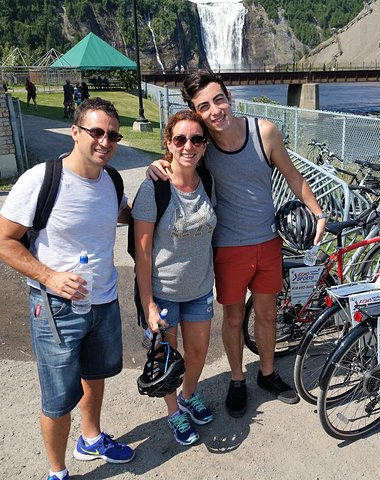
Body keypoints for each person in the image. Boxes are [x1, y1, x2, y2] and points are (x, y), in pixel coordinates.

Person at [148, 69, 326, 418]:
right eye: (204, 106)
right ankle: (237, 378)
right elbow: (176, 160)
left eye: (218, 99)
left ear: (229, 97)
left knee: (267, 313)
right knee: (232, 317)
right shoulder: (202, 145)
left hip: (268, 240)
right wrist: (158, 163)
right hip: (228, 246)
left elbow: (293, 176)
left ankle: (269, 373)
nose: (215, 110)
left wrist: (318, 213)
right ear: (196, 113)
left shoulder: (265, 132)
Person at [0, 97, 135, 480]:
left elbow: (125, 214)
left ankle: (91, 438)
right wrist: (50, 277)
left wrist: (161, 182)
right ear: (75, 132)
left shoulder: (111, 180)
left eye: (113, 135)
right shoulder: (42, 179)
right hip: (55, 306)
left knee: (95, 374)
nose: (105, 141)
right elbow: (1, 241)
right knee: (57, 398)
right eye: (97, 132)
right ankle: (57, 471)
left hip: (103, 301)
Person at [133, 109, 216, 445]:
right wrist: (148, 304)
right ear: (168, 142)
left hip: (199, 288)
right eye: (180, 139)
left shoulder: (207, 181)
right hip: (163, 291)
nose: (188, 146)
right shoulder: (153, 188)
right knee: (167, 359)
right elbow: (142, 253)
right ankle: (173, 413)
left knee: (197, 353)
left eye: (196, 139)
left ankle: (188, 395)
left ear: (204, 145)